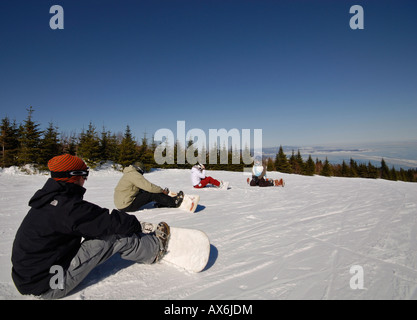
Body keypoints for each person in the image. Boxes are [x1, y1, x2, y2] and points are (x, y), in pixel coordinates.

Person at [11, 154, 170, 299]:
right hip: (51, 283)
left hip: (30, 279)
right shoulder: (67, 208)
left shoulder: (48, 201)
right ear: (73, 177)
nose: (85, 180)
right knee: (113, 235)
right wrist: (136, 225)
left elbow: (91, 220)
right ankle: (156, 249)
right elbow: (109, 222)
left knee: (96, 229)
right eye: (84, 175)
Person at [114, 162, 183, 212]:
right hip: (126, 206)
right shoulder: (134, 175)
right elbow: (149, 187)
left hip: (121, 204)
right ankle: (174, 202)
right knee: (151, 193)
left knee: (145, 191)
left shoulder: (129, 174)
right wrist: (161, 190)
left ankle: (162, 202)